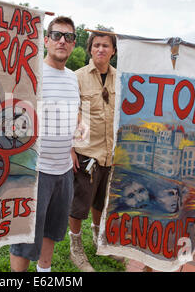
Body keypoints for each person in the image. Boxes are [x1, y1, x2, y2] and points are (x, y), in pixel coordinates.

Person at [9, 16, 80, 272]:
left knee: (52, 230)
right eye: (57, 35)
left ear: (73, 44)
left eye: (69, 37)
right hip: (36, 171)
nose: (63, 41)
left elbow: (71, 114)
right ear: (46, 40)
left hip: (63, 172)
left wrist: (71, 147)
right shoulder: (32, 72)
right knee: (25, 238)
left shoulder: (73, 78)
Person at [67, 29, 118, 271]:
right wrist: (71, 148)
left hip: (111, 153)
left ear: (113, 51)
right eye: (96, 45)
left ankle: (99, 240)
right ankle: (75, 247)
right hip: (86, 152)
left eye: (105, 45)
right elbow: (68, 114)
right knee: (80, 203)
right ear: (89, 49)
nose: (100, 49)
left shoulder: (121, 79)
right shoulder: (76, 77)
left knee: (102, 201)